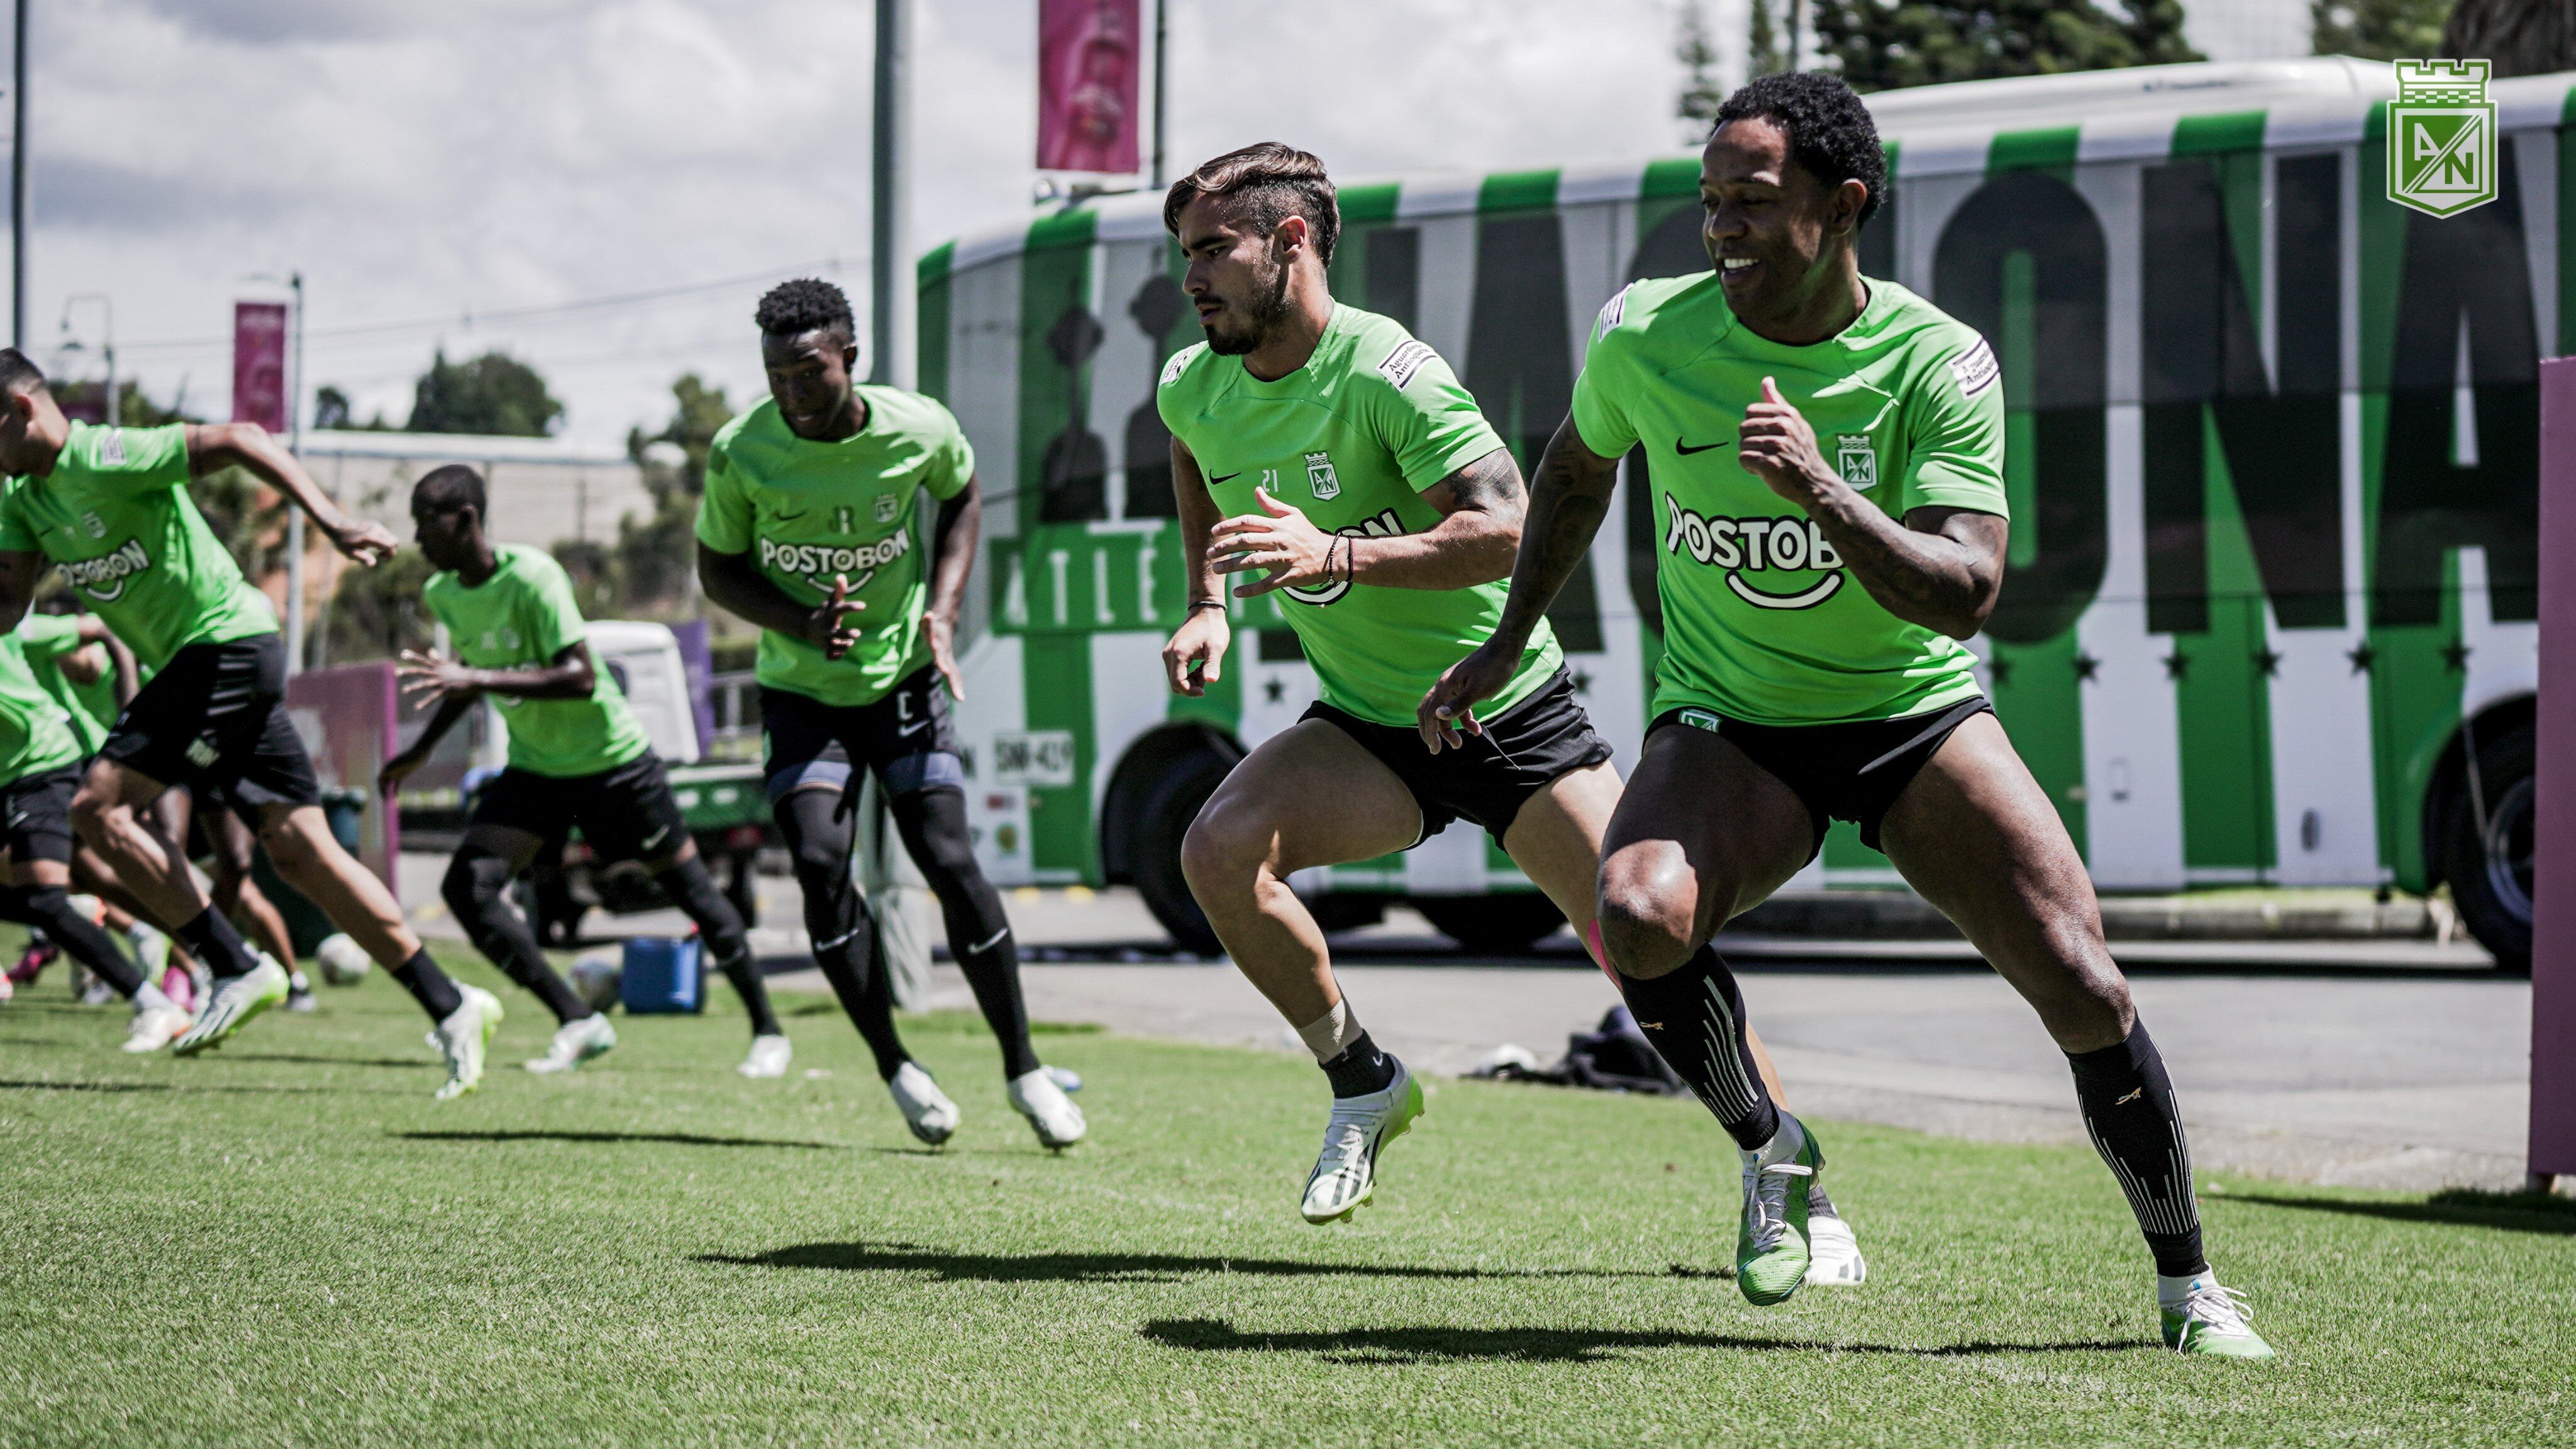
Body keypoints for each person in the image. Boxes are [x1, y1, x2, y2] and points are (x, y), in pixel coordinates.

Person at [1423, 72, 2270, 1356]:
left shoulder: (1936, 358)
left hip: (1909, 714)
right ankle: (1774, 1150)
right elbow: (1576, 471)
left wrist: (1822, 491)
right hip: (1730, 722)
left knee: (2083, 987)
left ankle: (2187, 1285)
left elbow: (1964, 593)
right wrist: (1500, 642)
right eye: (1710, 204)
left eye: (1753, 203)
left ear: (1845, 202)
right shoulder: (1647, 336)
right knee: (1636, 913)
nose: (1722, 230)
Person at [1154, 142, 1864, 1291]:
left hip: (1504, 711)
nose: (1189, 279)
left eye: (1210, 251)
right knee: (1217, 848)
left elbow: (1508, 522)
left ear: (1291, 244)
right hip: (1370, 726)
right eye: (1181, 253)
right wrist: (1207, 601)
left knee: (1652, 951)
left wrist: (1332, 553)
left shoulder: (1389, 373)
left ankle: (1789, 1181)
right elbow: (1193, 454)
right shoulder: (1194, 380)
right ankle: (1363, 1079)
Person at [0, 349, 501, 1099]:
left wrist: (331, 521)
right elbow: (8, 602)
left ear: (20, 409)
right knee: (301, 852)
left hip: (224, 642)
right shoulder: (23, 501)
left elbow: (243, 437)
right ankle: (454, 1002)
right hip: (205, 667)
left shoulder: (105, 453)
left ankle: (234, 965)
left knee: (97, 806)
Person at [694, 277, 1084, 1148]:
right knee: (822, 865)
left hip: (904, 676)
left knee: (947, 856)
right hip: (802, 692)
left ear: (850, 360)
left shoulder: (919, 428)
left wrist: (942, 611)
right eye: (775, 376)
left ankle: (1025, 1068)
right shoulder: (740, 452)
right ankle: (896, 1066)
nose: (791, 395)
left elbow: (965, 499)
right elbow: (717, 571)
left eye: (808, 373)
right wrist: (801, 623)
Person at [382, 464, 787, 1077]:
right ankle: (578, 1019)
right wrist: (421, 750)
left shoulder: (534, 578)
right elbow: (467, 680)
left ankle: (767, 1031)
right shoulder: (445, 592)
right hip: (537, 771)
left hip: (615, 765)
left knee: (694, 893)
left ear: (466, 520)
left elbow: (580, 676)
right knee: (468, 888)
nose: (418, 537)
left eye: (427, 521)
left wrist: (475, 678)